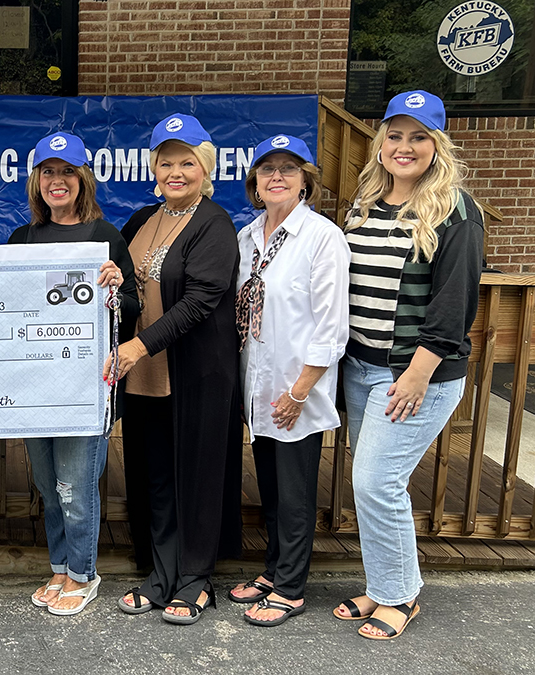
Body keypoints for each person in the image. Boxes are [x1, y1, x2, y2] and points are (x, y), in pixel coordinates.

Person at [333, 91, 483, 640]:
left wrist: (416, 375)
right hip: (360, 365)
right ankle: (381, 584)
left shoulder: (456, 210)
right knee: (369, 481)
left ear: (436, 145)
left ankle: (401, 596)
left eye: (419, 136)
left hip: (415, 373)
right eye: (395, 135)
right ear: (380, 144)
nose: (405, 146)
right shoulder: (366, 203)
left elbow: (453, 305)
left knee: (378, 481)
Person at [109, 114, 242, 625]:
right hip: (143, 375)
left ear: (206, 169)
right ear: (154, 169)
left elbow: (202, 299)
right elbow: (120, 275)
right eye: (166, 162)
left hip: (195, 374)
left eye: (187, 162)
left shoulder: (215, 223)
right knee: (155, 475)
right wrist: (109, 274)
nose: (176, 171)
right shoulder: (142, 217)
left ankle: (195, 578)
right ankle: (161, 572)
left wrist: (139, 346)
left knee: (197, 475)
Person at [8, 131, 139, 616]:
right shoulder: (22, 240)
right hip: (37, 388)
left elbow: (131, 308)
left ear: (83, 179)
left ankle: (84, 575)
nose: (57, 180)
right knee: (48, 486)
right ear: (36, 181)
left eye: (67, 172)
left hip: (86, 386)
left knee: (76, 487)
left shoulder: (104, 237)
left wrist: (117, 284)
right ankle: (60, 568)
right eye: (48, 172)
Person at [226, 135, 350, 626]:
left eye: (288, 169)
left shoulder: (322, 237)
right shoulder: (247, 237)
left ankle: (292, 588)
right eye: (267, 169)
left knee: (295, 493)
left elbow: (331, 326)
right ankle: (275, 571)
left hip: (296, 390)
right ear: (255, 182)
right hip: (260, 387)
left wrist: (300, 392)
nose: (277, 176)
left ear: (305, 181)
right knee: (273, 488)